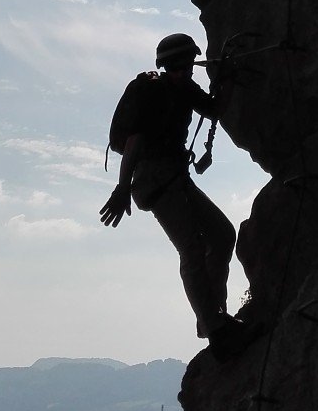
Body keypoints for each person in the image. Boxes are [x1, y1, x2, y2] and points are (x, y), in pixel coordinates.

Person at [100, 32, 257, 359]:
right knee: (192, 247)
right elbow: (134, 143)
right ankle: (216, 328)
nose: (189, 70)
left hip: (173, 176)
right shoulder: (153, 91)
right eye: (185, 65)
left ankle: (212, 317)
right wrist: (121, 187)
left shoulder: (184, 89)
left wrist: (226, 79)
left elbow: (214, 110)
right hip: (154, 179)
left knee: (222, 235)